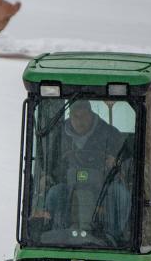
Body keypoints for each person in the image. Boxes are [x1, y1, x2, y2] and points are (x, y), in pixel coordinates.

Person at [40, 99, 131, 240]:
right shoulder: (60, 135)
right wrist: (48, 175)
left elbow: (127, 158)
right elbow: (51, 164)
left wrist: (116, 162)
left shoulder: (109, 133)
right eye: (75, 117)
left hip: (104, 187)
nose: (79, 121)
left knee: (121, 194)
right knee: (54, 193)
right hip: (70, 185)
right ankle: (58, 234)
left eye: (83, 116)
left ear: (91, 114)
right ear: (70, 116)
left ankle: (114, 237)